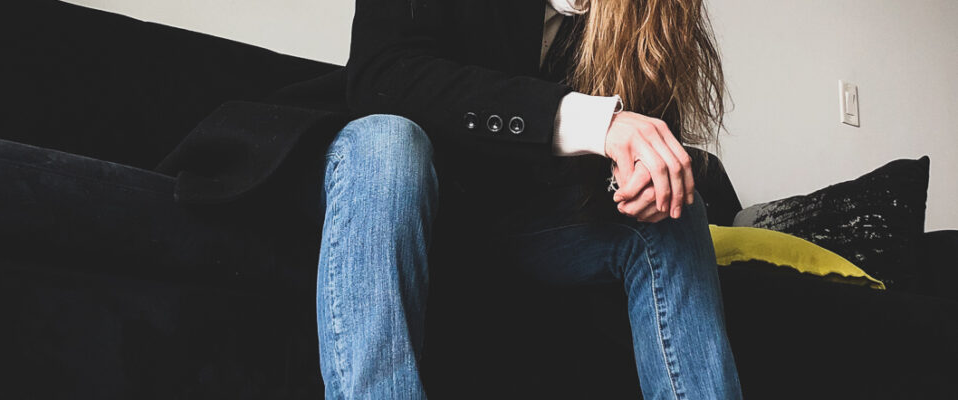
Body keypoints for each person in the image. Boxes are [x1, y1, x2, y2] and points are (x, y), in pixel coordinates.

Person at [308, 0, 742, 398]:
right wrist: (591, 123)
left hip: (527, 221)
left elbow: (641, 142)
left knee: (672, 209)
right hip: (404, 200)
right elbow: (381, 76)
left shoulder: (648, 11)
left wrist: (638, 178)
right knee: (386, 141)